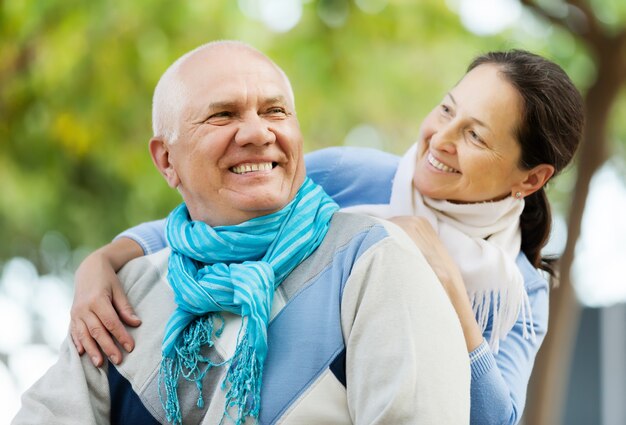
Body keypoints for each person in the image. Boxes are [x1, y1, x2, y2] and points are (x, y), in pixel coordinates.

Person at [68, 48, 585, 425]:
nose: (440, 140)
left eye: (475, 135)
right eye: (448, 111)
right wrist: (105, 260)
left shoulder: (521, 287)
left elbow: (496, 419)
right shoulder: (350, 176)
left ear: (531, 178)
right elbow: (215, 217)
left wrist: (448, 284)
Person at [12, 41, 470, 425]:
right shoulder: (125, 291)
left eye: (275, 111)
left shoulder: (373, 262)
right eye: (223, 115)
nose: (257, 132)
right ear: (166, 161)